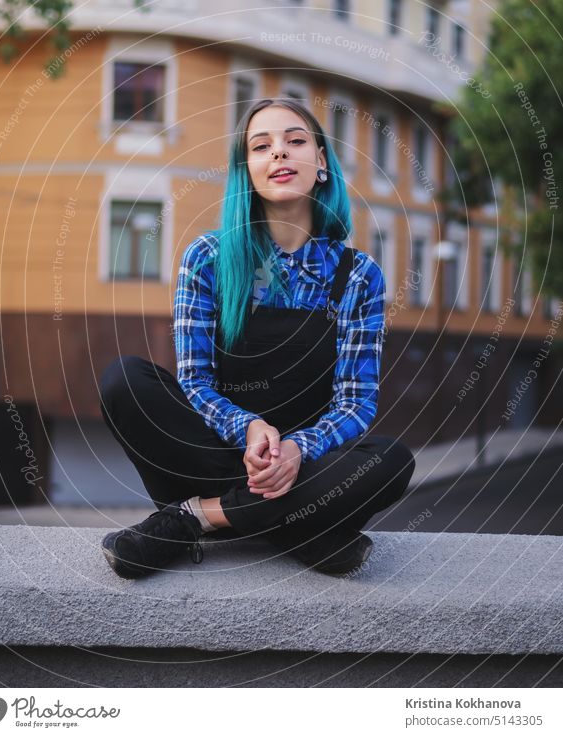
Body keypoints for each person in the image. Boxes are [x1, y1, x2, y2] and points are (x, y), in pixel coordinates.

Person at [99, 97, 415, 579]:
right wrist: (248, 428)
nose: (279, 154)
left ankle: (197, 517)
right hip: (219, 452)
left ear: (322, 162)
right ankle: (302, 532)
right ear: (246, 170)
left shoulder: (359, 276)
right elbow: (195, 381)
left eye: (295, 141)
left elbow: (356, 403)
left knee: (392, 460)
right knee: (125, 380)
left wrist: (296, 450)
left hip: (306, 465)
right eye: (261, 146)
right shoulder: (207, 258)